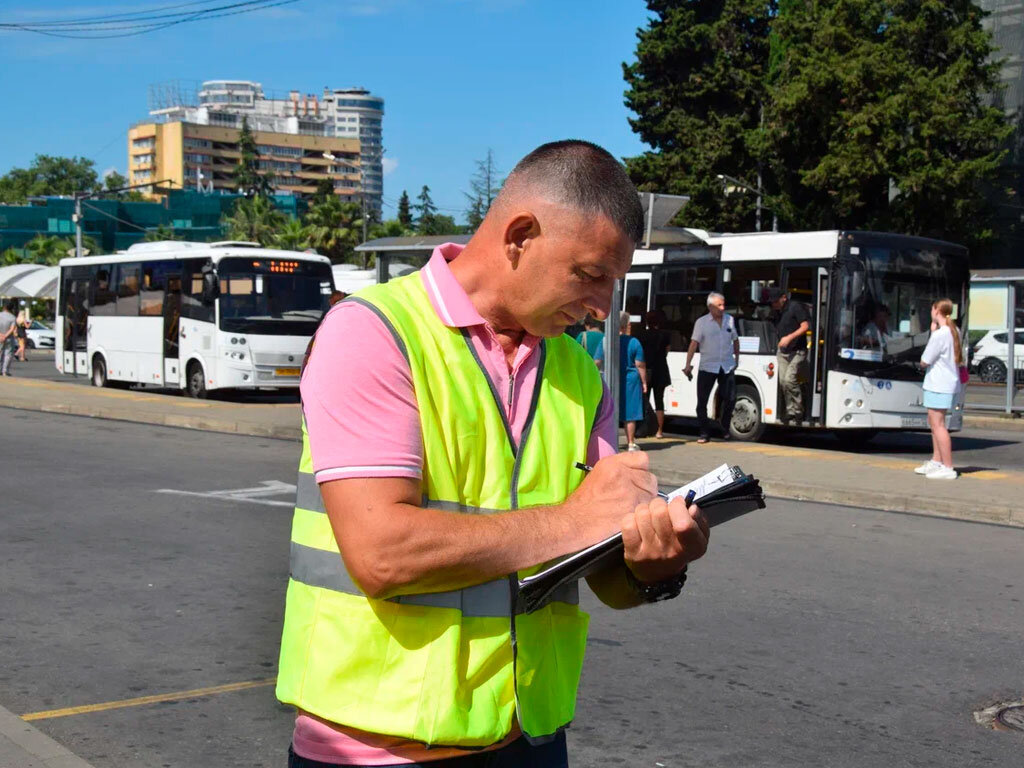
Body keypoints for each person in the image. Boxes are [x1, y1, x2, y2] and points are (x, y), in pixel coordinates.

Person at [277, 140, 709, 768]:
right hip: (376, 751)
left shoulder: (579, 374)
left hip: (529, 740)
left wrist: (657, 562)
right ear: (520, 236)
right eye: (590, 275)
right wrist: (578, 519)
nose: (600, 307)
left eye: (612, 283)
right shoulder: (374, 333)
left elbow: (605, 577)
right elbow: (381, 552)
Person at [915, 298, 963, 480]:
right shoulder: (954, 330)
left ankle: (947, 466)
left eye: (932, 309)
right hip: (947, 383)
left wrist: (932, 333)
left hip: (938, 384)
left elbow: (925, 360)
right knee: (935, 423)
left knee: (938, 425)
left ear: (936, 310)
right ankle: (937, 461)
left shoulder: (940, 334)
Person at [684, 292, 740, 443]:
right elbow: (694, 343)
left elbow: (735, 340)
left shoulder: (730, 320)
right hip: (708, 366)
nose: (722, 308)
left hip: (726, 365)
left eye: (723, 304)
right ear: (710, 307)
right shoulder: (701, 322)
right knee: (702, 401)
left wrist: (737, 359)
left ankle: (724, 426)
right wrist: (687, 364)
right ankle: (704, 433)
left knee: (731, 398)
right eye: (719, 305)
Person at [597, 310, 648, 451]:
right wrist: (644, 382)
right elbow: (640, 364)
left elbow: (597, 361)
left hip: (610, 378)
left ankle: (611, 442)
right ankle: (631, 443)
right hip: (631, 380)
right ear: (625, 325)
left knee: (609, 410)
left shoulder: (606, 340)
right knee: (630, 413)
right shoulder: (634, 342)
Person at [768, 287, 810, 423]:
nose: (774, 305)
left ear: (784, 298)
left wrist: (789, 338)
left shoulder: (795, 307)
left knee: (789, 379)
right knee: (782, 382)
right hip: (783, 352)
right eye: (772, 302)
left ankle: (798, 409)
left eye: (775, 302)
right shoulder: (776, 312)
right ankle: (790, 411)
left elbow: (805, 326)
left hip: (797, 350)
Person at [635, 309, 671, 438]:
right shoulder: (665, 335)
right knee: (659, 401)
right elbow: (666, 351)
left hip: (647, 370)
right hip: (661, 370)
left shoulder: (641, 335)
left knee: (645, 400)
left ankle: (644, 428)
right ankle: (659, 431)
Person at [0, 300, 17, 376]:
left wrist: (1, 335)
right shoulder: (13, 317)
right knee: (8, 354)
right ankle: (5, 371)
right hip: (9, 338)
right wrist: (5, 336)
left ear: (4, 307)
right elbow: (12, 329)